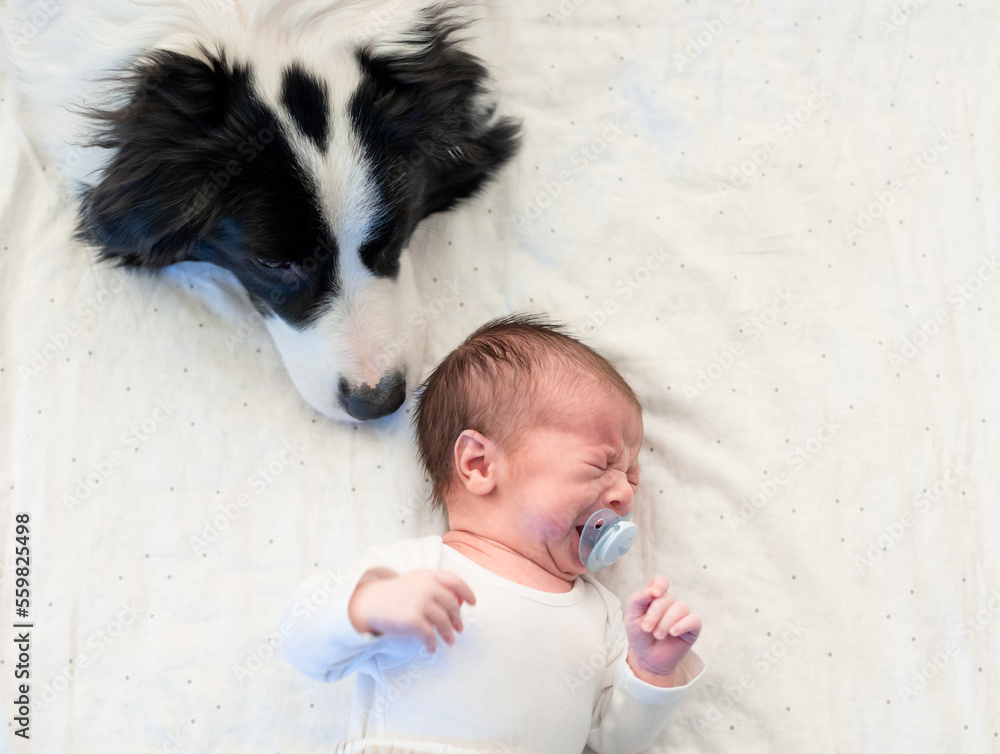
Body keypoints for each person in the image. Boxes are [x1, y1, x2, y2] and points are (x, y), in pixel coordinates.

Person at [282, 315, 705, 754]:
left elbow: (613, 743)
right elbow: (302, 641)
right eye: (602, 465)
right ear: (480, 465)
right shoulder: (416, 571)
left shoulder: (602, 613)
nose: (623, 494)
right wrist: (369, 606)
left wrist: (651, 671)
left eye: (632, 478)